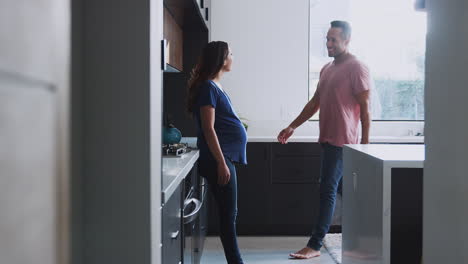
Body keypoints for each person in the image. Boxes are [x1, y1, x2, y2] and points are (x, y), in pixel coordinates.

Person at [277, 20, 372, 259]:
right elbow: (314, 103)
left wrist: (365, 146)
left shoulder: (357, 67)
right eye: (327, 39)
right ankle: (366, 238)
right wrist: (292, 126)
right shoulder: (327, 69)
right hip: (328, 139)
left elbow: (365, 108)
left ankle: (315, 244)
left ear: (347, 41)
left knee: (327, 190)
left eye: (333, 40)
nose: (328, 44)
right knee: (346, 193)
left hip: (343, 142)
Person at [187, 41, 247, 264]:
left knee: (229, 215)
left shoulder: (215, 86)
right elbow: (208, 128)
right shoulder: (208, 88)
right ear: (222, 60)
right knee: (228, 216)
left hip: (224, 157)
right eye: (230, 54)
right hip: (219, 159)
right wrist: (221, 162)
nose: (233, 57)